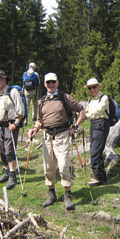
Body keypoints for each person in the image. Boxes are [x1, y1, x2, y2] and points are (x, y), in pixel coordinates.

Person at [27, 73, 86, 211]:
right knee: (48, 167)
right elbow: (39, 120)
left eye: (53, 82)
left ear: (57, 83)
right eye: (48, 82)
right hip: (47, 136)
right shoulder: (42, 100)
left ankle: (67, 194)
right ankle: (52, 193)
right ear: (45, 84)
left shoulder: (65, 97)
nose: (51, 84)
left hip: (62, 135)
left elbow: (82, 111)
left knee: (64, 164)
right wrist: (35, 128)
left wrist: (75, 127)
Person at [0, 70, 25, 189]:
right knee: (1, 150)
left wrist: (16, 123)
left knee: (9, 150)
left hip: (10, 125)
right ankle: (6, 172)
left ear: (5, 79)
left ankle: (12, 174)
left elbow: (20, 110)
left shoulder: (13, 91)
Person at [80, 78, 110, 186]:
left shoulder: (104, 98)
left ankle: (98, 177)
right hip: (93, 124)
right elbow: (87, 111)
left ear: (98, 86)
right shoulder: (90, 100)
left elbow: (99, 111)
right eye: (90, 88)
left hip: (101, 124)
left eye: (94, 87)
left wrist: (86, 116)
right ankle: (102, 176)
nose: (92, 89)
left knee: (95, 152)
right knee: (96, 150)